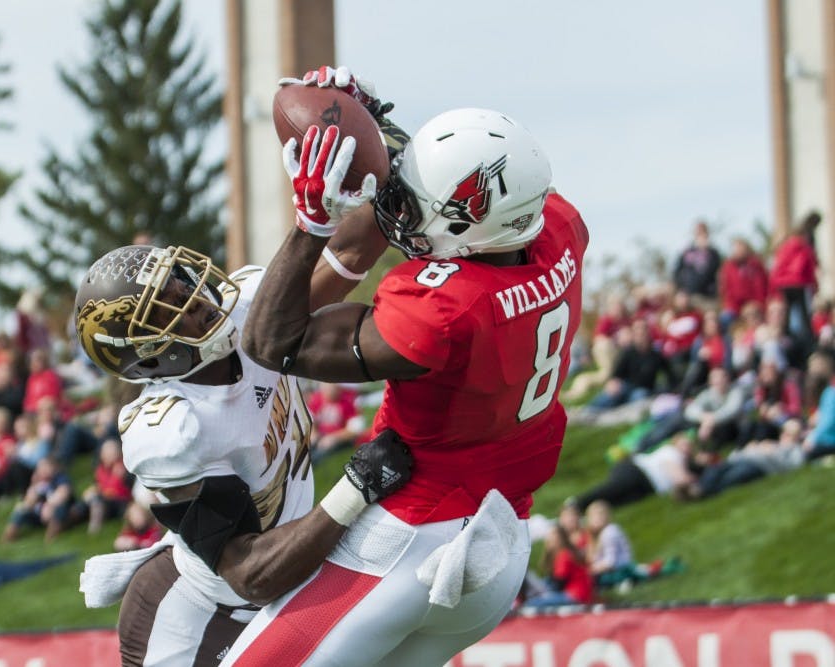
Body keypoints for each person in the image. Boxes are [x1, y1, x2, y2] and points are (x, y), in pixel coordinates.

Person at [233, 66, 587, 665]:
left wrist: (312, 224)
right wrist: (373, 125)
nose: (400, 208)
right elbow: (473, 190)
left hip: (407, 542)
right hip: (500, 544)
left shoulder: (441, 310)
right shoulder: (556, 229)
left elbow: (271, 340)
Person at [73, 239, 413, 666]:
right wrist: (355, 490)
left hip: (290, 589)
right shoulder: (175, 428)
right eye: (167, 308)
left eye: (181, 282)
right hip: (201, 617)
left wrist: (333, 212)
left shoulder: (249, 309)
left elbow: (348, 254)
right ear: (147, 352)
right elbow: (250, 574)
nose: (194, 299)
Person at [769, 210, 822, 369]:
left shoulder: (785, 245)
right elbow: (807, 266)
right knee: (805, 317)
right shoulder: (804, 245)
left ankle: (787, 338)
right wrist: (814, 285)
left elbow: (778, 267)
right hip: (799, 282)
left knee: (788, 317)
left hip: (784, 283)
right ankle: (809, 347)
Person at [306, 382, 366, 462]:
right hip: (322, 436)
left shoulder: (348, 401)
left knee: (319, 455)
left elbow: (354, 430)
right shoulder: (317, 398)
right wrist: (314, 433)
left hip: (340, 438)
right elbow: (312, 419)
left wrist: (334, 438)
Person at [718, 237, 768, 332]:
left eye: (740, 248)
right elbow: (726, 292)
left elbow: (761, 288)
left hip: (755, 306)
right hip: (734, 308)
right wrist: (738, 308)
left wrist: (756, 305)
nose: (737, 251)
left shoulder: (755, 265)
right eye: (735, 249)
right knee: (724, 320)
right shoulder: (727, 268)